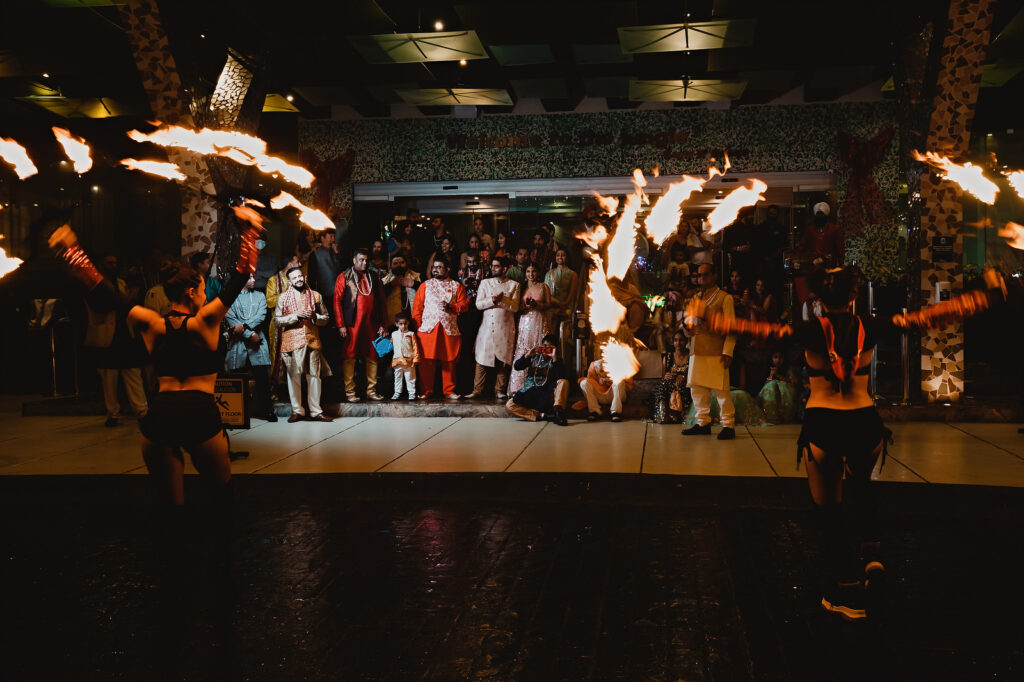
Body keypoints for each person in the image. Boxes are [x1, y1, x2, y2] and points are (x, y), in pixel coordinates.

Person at [684, 264, 1006, 620]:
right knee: (863, 490)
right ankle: (873, 562)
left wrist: (705, 316)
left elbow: (757, 329)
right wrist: (986, 295)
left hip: (825, 424)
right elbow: (929, 316)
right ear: (854, 296)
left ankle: (848, 593)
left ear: (818, 297)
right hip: (865, 423)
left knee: (830, 511)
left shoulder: (808, 330)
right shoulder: (872, 325)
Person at [50, 216, 260, 624]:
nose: (206, 291)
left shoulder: (149, 322)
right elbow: (240, 277)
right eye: (201, 287)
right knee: (221, 497)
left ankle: (174, 578)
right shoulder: (206, 321)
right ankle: (220, 571)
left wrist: (71, 250)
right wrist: (249, 231)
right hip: (199, 414)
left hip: (161, 415)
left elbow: (103, 290)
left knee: (171, 507)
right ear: (192, 291)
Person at [84, 253, 149, 426]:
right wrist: (126, 299)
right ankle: (112, 413)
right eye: (109, 263)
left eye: (115, 262)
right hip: (108, 335)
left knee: (133, 373)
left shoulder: (120, 282)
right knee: (109, 377)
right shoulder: (95, 284)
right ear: (101, 265)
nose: (113, 266)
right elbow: (102, 306)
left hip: (125, 334)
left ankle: (142, 411)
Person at [681, 263, 737, 440]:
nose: (701, 279)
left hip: (716, 351)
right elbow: (688, 325)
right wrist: (687, 330)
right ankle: (702, 422)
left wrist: (728, 351)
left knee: (721, 390)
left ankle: (728, 424)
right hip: (697, 349)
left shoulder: (724, 298)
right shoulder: (695, 298)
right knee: (697, 389)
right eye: (699, 275)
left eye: (705, 275)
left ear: (714, 276)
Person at [274, 266, 332, 422]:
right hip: (292, 342)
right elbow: (277, 321)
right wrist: (296, 316)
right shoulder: (283, 298)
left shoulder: (316, 296)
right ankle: (297, 411)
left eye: (300, 276)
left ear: (304, 277)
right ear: (290, 281)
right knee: (294, 377)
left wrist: (314, 316)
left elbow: (326, 318)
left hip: (312, 340)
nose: (298, 279)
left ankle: (316, 411)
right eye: (294, 278)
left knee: (314, 376)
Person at [334, 249, 387, 402]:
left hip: (372, 323)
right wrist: (341, 325)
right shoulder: (344, 276)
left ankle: (371, 391)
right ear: (354, 260)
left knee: (373, 355)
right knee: (349, 356)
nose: (364, 263)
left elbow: (382, 302)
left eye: (366, 260)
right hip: (352, 324)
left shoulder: (374, 277)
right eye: (361, 260)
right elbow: (337, 302)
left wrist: (384, 324)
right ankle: (350, 392)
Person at [412, 257, 469, 400]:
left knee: (449, 360)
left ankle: (449, 391)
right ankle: (426, 391)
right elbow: (417, 309)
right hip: (428, 329)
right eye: (433, 267)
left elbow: (464, 306)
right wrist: (418, 327)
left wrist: (452, 307)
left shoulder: (457, 286)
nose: (435, 269)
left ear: (448, 269)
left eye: (439, 267)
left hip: (449, 329)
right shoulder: (425, 285)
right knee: (426, 361)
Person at [224, 274, 276, 422]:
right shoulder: (230, 298)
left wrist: (245, 327)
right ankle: (240, 412)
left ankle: (268, 411)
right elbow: (231, 319)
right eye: (250, 278)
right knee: (239, 380)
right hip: (238, 343)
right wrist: (249, 333)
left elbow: (261, 315)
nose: (254, 280)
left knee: (262, 380)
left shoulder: (260, 296)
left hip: (257, 342)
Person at [468, 256, 520, 400]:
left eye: (496, 266)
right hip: (486, 327)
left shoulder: (514, 285)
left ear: (504, 269)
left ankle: (499, 390)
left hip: (505, 327)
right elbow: (478, 305)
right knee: (482, 357)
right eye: (492, 266)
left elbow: (515, 307)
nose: (493, 268)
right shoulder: (485, 283)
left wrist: (502, 300)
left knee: (503, 359)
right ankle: (477, 390)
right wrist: (493, 300)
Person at [506, 333, 569, 426]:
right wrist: (527, 355)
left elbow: (561, 377)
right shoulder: (533, 357)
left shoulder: (557, 360)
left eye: (549, 346)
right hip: (531, 392)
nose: (546, 348)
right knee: (509, 405)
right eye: (544, 346)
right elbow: (517, 366)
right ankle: (544, 416)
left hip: (548, 393)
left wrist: (554, 358)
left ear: (555, 348)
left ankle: (558, 412)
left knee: (563, 382)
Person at [509, 265, 551, 394]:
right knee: (523, 348)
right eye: (528, 271)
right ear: (525, 274)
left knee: (538, 348)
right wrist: (525, 306)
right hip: (524, 321)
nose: (531, 274)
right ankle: (518, 386)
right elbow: (517, 306)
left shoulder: (544, 286)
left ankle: (538, 384)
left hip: (539, 320)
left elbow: (548, 304)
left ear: (538, 273)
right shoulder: (521, 287)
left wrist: (537, 305)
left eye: (533, 271)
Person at [306, 228, 343, 375]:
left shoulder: (337, 253)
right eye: (330, 236)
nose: (332, 239)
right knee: (325, 332)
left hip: (338, 297)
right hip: (323, 297)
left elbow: (343, 270)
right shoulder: (315, 254)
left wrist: (337, 254)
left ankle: (337, 365)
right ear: (322, 238)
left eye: (334, 236)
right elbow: (312, 276)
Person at [651, 330, 690, 424]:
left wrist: (684, 377)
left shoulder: (691, 357)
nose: (678, 343)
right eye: (676, 340)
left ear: (686, 341)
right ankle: (663, 414)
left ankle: (677, 415)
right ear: (673, 342)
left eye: (681, 340)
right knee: (663, 384)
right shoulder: (668, 357)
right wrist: (666, 376)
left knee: (680, 387)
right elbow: (663, 376)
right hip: (669, 385)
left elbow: (694, 375)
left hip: (686, 385)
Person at [580, 356, 632, 422]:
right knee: (584, 383)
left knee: (619, 381)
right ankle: (595, 411)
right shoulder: (594, 364)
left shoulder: (622, 364)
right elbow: (590, 379)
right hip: (600, 395)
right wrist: (599, 380)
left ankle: (615, 412)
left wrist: (614, 379)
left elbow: (629, 384)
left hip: (616, 394)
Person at [798, 202, 844, 269]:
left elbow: (840, 247)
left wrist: (841, 263)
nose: (819, 216)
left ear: (826, 215)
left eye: (821, 214)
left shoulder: (834, 229)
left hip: (829, 264)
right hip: (812, 264)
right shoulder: (810, 229)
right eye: (817, 214)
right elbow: (802, 245)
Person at [758, 349, 799, 424]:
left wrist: (778, 375)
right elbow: (764, 386)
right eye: (775, 357)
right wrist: (771, 375)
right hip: (773, 393)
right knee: (771, 385)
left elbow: (793, 382)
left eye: (780, 357)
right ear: (771, 358)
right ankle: (771, 416)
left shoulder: (789, 368)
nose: (778, 360)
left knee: (780, 386)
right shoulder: (768, 368)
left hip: (786, 392)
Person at [544, 248, 578, 333]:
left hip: (566, 308)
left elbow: (572, 293)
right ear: (555, 257)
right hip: (551, 307)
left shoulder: (572, 274)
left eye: (563, 255)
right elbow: (546, 292)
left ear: (567, 257)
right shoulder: (549, 273)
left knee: (564, 334)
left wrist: (564, 304)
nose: (560, 257)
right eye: (558, 255)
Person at [381, 253, 420, 324]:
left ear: (407, 264)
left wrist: (414, 284)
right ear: (391, 266)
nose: (399, 265)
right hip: (393, 320)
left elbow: (426, 292)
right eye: (395, 263)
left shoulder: (416, 277)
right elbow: (379, 296)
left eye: (402, 262)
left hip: (412, 318)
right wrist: (391, 284)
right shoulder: (385, 280)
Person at [390, 312, 419, 400]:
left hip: (409, 360)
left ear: (408, 323)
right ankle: (397, 392)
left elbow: (415, 347)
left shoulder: (411, 334)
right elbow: (390, 345)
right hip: (397, 360)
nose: (403, 326)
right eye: (401, 324)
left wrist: (416, 358)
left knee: (410, 377)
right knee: (397, 377)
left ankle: (412, 393)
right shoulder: (394, 334)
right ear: (396, 324)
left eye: (405, 323)